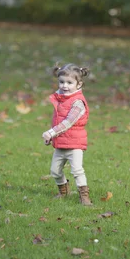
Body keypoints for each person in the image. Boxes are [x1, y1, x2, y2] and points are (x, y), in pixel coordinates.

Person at [42, 62, 92, 206]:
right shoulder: (61, 99)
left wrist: (51, 132)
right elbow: (57, 121)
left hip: (75, 144)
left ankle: (84, 197)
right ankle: (64, 191)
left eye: (69, 82)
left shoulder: (77, 102)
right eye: (61, 82)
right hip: (61, 144)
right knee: (55, 171)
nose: (64, 85)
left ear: (79, 84)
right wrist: (51, 137)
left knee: (77, 170)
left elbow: (68, 122)